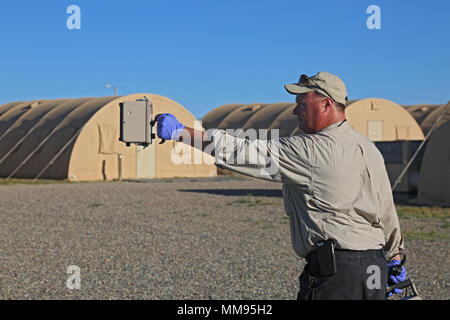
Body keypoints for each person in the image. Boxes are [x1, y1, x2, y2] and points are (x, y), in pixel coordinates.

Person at [154, 71, 406, 300]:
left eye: (301, 104)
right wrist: (395, 256)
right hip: (374, 268)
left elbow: (243, 152)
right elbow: (385, 208)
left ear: (327, 104)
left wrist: (181, 133)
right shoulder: (368, 148)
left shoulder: (311, 149)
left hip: (337, 274)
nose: (295, 112)